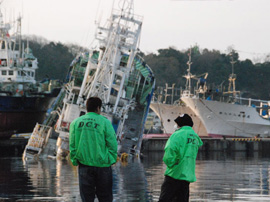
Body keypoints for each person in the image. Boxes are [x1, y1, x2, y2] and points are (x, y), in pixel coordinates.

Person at [69, 97, 118, 202]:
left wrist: (74, 160)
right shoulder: (105, 122)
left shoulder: (75, 123)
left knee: (87, 198)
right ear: (98, 108)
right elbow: (112, 144)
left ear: (86, 107)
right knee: (105, 198)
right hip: (103, 167)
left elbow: (72, 145)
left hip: (84, 166)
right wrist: (111, 159)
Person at [158, 114, 203, 202]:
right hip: (187, 176)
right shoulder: (195, 137)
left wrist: (171, 164)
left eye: (177, 123)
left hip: (174, 174)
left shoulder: (177, 135)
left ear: (181, 124)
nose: (176, 125)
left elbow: (169, 151)